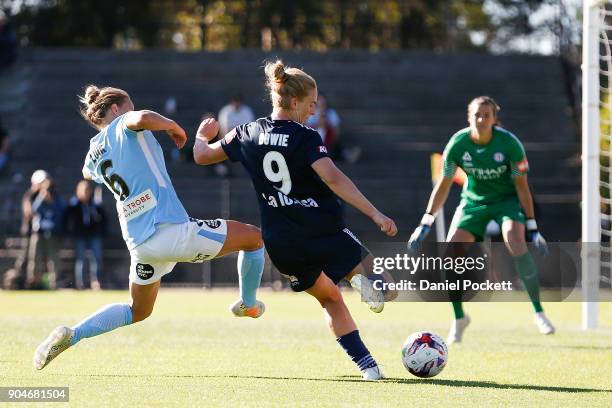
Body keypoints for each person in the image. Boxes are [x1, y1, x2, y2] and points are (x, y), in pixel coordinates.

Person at [33, 85, 266, 370]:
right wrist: (172, 126)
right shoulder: (124, 122)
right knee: (254, 238)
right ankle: (248, 303)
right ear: (116, 109)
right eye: (129, 104)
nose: (133, 108)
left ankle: (73, 335)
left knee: (138, 310)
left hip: (141, 246)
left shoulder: (93, 152)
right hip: (170, 230)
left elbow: (86, 172)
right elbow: (140, 118)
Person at [193, 60, 397, 380]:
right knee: (385, 285)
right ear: (293, 101)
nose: (314, 111)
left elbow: (202, 156)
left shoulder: (246, 132)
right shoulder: (305, 136)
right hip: (321, 230)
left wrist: (200, 137)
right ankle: (365, 281)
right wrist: (375, 213)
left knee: (329, 299)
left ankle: (368, 367)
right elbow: (332, 178)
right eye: (311, 104)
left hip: (282, 243)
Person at [408, 96, 554, 344]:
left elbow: (521, 186)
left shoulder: (510, 145)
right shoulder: (458, 144)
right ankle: (459, 318)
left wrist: (531, 226)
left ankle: (538, 312)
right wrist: (426, 221)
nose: (481, 119)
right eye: (477, 114)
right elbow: (444, 185)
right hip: (473, 203)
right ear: (469, 117)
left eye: (487, 115)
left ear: (495, 119)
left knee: (514, 241)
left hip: (506, 202)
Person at [2, 169, 49, 289]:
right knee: (25, 258)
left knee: (35, 259)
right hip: (29, 232)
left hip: (39, 232)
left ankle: (31, 281)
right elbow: (29, 213)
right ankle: (19, 280)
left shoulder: (45, 194)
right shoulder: (30, 195)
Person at [64, 179, 107, 290]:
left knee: (96, 259)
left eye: (88, 190)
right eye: (84, 190)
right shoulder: (75, 203)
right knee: (81, 259)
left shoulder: (95, 204)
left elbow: (103, 218)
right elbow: (67, 216)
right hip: (80, 235)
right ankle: (81, 283)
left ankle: (96, 282)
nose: (86, 192)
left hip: (94, 234)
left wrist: (97, 208)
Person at [26, 176, 65, 290]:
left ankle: (55, 282)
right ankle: (34, 282)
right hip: (39, 233)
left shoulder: (58, 200)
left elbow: (60, 213)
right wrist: (41, 197)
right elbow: (34, 210)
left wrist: (52, 202)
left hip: (52, 233)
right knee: (35, 258)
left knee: (53, 258)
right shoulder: (39, 198)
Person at [306, 93, 360, 163]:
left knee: (337, 146)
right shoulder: (309, 114)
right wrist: (320, 121)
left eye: (322, 102)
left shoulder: (331, 113)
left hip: (329, 142)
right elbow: (307, 129)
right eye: (319, 101)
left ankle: (346, 155)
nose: (321, 104)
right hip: (314, 142)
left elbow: (336, 131)